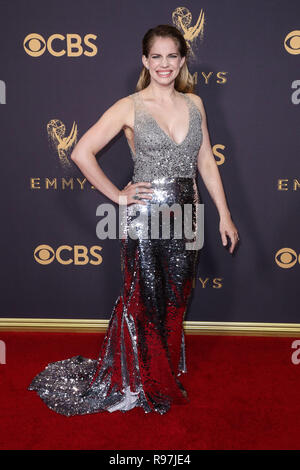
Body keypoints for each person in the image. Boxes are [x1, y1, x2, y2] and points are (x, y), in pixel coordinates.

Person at [28, 24, 239, 416]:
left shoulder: (195, 104)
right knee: (145, 301)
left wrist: (224, 214)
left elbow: (206, 160)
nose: (164, 64)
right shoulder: (130, 106)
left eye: (172, 56)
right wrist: (119, 195)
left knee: (177, 300)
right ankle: (142, 383)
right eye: (156, 56)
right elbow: (81, 152)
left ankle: (162, 372)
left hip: (187, 215)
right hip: (143, 218)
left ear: (181, 61)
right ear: (145, 61)